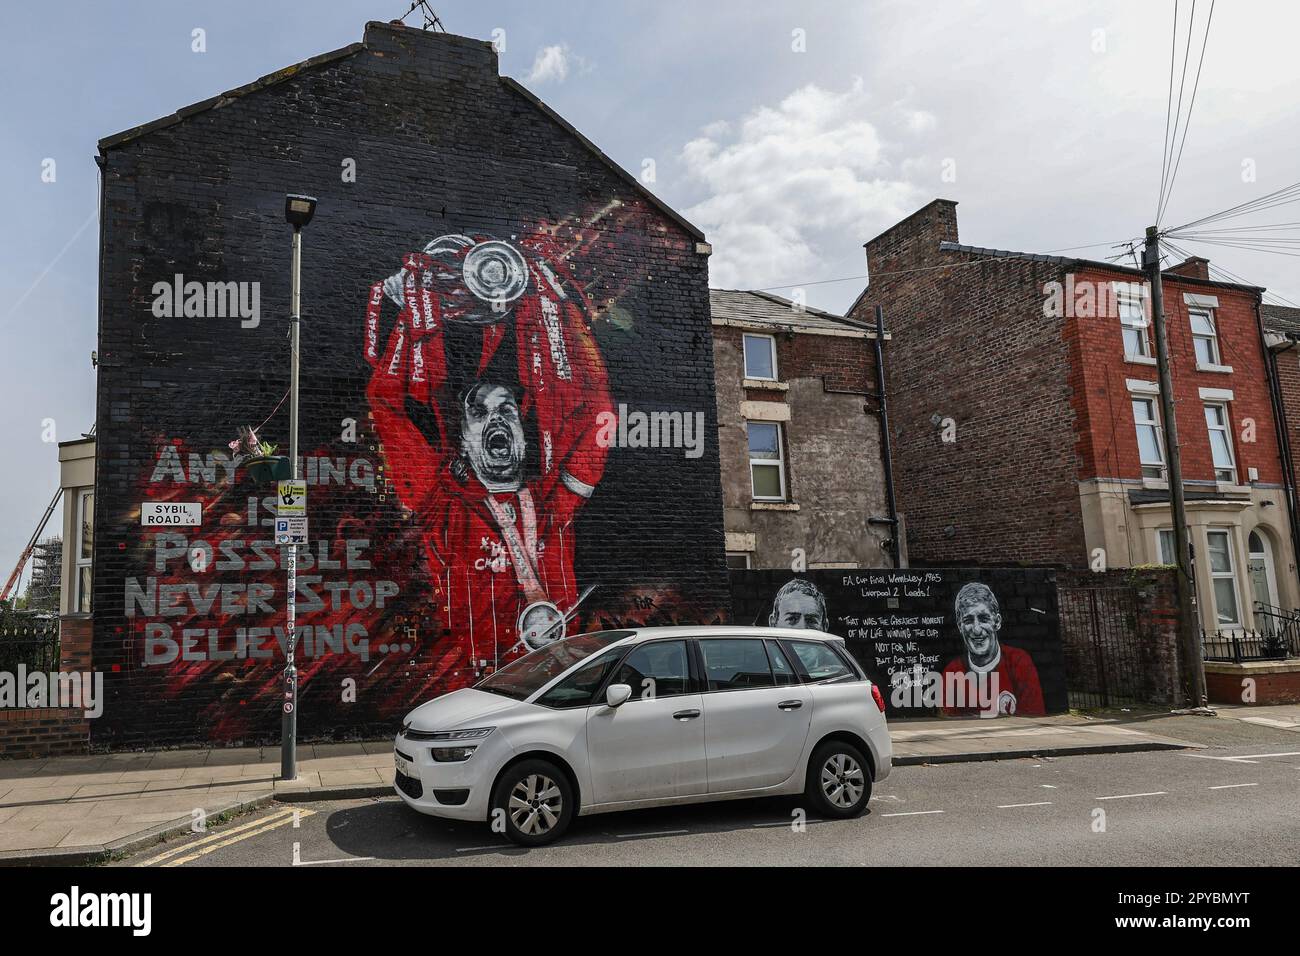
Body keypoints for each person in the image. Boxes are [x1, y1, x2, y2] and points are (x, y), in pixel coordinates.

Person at [365, 234, 614, 684]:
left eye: (506, 411)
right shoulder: (442, 506)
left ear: (522, 431)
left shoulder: (556, 506)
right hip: (471, 681)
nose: (496, 419)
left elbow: (598, 404)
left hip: (552, 682)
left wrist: (556, 304)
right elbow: (386, 403)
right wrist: (410, 316)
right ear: (462, 440)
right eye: (479, 413)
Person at [940, 582, 1044, 716]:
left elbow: (1034, 717)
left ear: (997, 622)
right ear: (960, 627)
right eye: (968, 621)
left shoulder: (1018, 662)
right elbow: (949, 723)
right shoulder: (952, 672)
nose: (976, 630)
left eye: (983, 619)